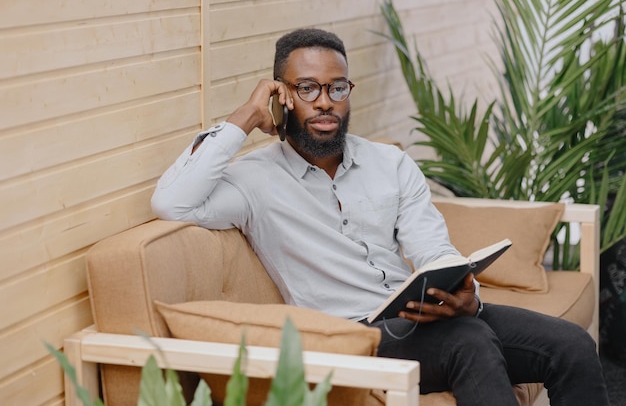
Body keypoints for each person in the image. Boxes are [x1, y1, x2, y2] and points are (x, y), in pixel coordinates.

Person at [151, 28, 610, 406]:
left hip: (421, 314)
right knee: (469, 342)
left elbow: (431, 246)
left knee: (570, 345)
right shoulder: (252, 181)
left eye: (336, 87)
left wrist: (463, 291)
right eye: (306, 88)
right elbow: (172, 202)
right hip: (354, 336)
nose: (325, 101)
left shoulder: (389, 163)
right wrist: (246, 116)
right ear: (281, 96)